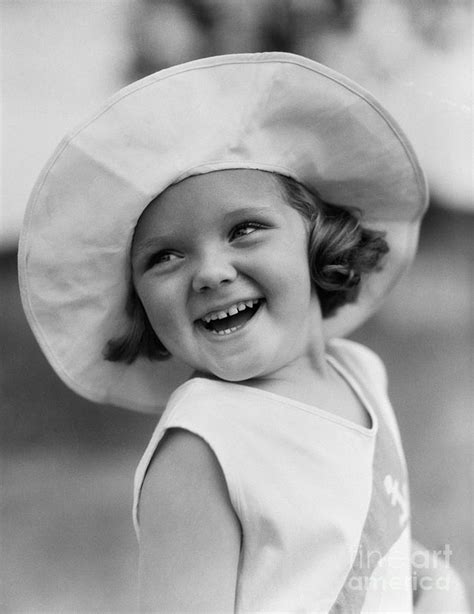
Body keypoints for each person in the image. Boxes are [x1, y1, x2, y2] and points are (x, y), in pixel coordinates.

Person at [19, 53, 469, 612]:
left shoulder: (359, 374)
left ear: (318, 238)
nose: (210, 272)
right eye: (164, 257)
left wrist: (439, 587)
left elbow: (371, 539)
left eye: (245, 229)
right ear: (140, 303)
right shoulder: (203, 448)